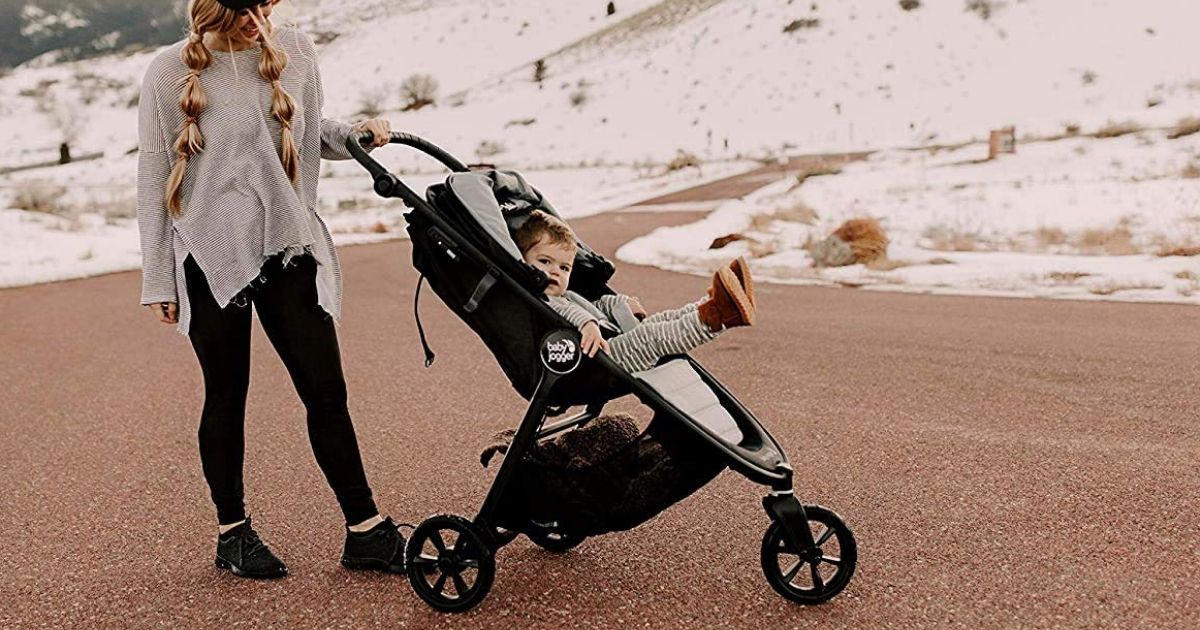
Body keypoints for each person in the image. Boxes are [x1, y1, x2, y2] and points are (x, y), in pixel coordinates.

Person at [136, 0, 403, 579]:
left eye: (264, 6)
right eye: (243, 8)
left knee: (327, 391)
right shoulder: (166, 72)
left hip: (288, 244)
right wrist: (159, 274)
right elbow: (154, 176)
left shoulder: (298, 52)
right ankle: (233, 533)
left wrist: (356, 135)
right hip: (209, 256)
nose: (256, 18)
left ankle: (366, 531)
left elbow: (308, 136)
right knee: (228, 395)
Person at [514, 211, 756, 373]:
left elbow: (595, 306)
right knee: (653, 336)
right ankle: (715, 316)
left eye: (564, 267)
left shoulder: (566, 295)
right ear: (522, 262)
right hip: (595, 361)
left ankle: (713, 305)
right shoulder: (538, 299)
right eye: (545, 262)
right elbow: (567, 315)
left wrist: (622, 303)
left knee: (663, 320)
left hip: (609, 344)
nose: (555, 272)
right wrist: (588, 325)